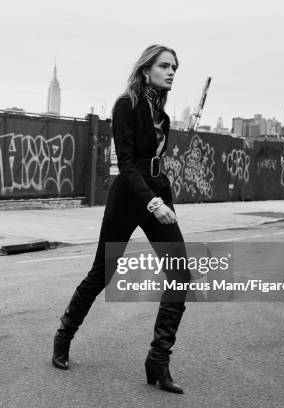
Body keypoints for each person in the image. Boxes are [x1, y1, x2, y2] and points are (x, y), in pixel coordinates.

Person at [51, 44, 192, 394]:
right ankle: (63, 335)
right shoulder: (125, 104)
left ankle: (158, 359)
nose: (171, 71)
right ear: (147, 70)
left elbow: (155, 165)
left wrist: (166, 202)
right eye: (164, 66)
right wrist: (153, 203)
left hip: (156, 195)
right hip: (129, 199)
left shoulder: (164, 115)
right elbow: (127, 164)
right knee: (102, 273)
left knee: (180, 273)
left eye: (175, 67)